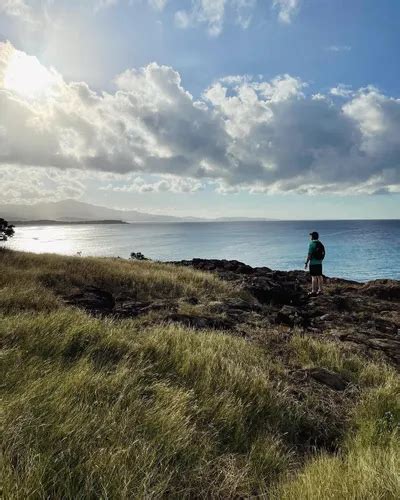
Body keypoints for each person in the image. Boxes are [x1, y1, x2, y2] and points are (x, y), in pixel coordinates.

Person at [304, 231, 325, 296]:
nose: (310, 237)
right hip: (319, 262)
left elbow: (309, 254)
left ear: (312, 237)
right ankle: (320, 290)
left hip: (313, 263)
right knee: (320, 276)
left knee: (313, 277)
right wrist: (321, 260)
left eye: (311, 236)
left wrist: (306, 262)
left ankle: (313, 291)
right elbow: (323, 253)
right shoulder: (320, 243)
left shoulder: (312, 244)